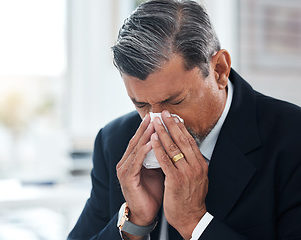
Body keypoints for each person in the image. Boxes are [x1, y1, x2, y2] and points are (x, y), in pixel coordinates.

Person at [68, 0, 301, 239]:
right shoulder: (114, 141)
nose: (157, 121)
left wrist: (195, 223)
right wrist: (134, 223)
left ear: (219, 70)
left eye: (175, 101)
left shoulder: (292, 138)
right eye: (142, 104)